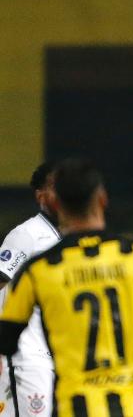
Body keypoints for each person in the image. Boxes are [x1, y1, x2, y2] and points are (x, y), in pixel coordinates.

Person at [0, 158, 133, 417]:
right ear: (103, 199)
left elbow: (6, 336)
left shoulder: (40, 270)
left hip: (75, 403)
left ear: (54, 203)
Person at [0, 162, 60, 417]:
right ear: (41, 195)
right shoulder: (27, 235)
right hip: (26, 357)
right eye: (56, 186)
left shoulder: (69, 238)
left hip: (60, 357)